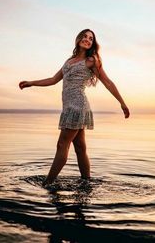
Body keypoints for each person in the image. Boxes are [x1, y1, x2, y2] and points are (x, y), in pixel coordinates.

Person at [19, 29, 130, 185]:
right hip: (69, 108)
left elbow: (108, 82)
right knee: (80, 147)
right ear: (78, 39)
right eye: (85, 36)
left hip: (77, 107)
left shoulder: (92, 61)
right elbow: (53, 79)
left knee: (62, 145)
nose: (87, 40)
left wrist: (122, 102)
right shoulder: (69, 61)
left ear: (92, 43)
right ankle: (86, 182)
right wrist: (31, 83)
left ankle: (48, 183)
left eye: (91, 38)